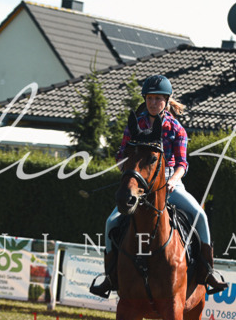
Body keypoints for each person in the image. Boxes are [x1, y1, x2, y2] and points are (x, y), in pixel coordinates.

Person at [90, 74, 228, 297]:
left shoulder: (176, 128)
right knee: (111, 222)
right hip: (141, 185)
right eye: (150, 98)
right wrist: (130, 173)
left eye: (158, 99)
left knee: (199, 216)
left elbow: (182, 163)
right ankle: (110, 277)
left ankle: (208, 271)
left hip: (170, 184)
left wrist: (173, 180)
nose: (153, 103)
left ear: (166, 100)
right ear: (145, 99)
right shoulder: (135, 124)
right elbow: (121, 155)